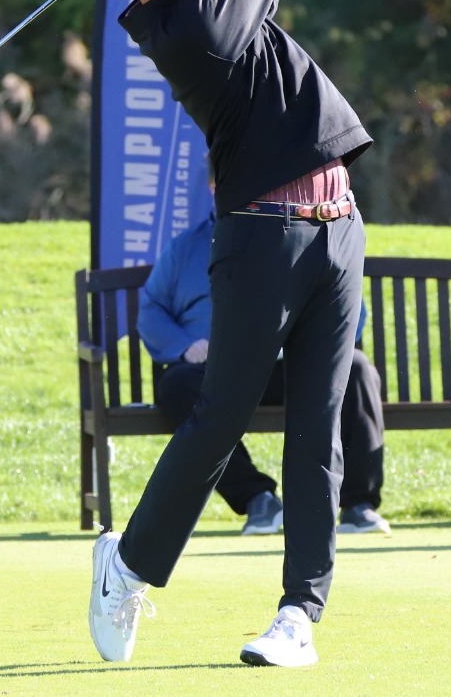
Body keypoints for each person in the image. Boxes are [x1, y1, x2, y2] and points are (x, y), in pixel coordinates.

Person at [89, 0, 372, 669]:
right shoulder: (184, 32)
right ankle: (129, 565)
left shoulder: (221, 5)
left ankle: (298, 617)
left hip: (337, 226)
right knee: (222, 416)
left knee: (319, 427)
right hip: (262, 237)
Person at [140, 203, 389, 538]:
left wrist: (308, 343)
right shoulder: (184, 248)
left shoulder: (307, 235)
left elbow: (350, 309)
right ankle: (259, 499)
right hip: (219, 370)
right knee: (176, 385)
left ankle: (359, 506)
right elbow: (151, 309)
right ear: (216, 186)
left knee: (357, 368)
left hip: (294, 365)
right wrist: (185, 345)